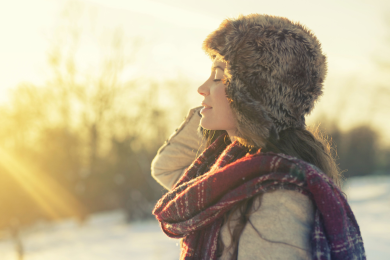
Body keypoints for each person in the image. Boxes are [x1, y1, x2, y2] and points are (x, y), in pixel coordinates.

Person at [151, 14, 365, 260]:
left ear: (251, 93)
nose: (202, 88)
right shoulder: (232, 172)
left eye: (219, 76)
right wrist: (216, 113)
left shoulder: (278, 199)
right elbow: (167, 167)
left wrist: (238, 111)